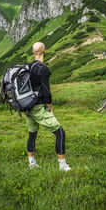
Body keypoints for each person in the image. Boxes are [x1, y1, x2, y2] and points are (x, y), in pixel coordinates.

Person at [26, 42, 71, 171]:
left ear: (33, 52)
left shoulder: (28, 66)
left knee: (32, 134)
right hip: (39, 107)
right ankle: (62, 166)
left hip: (28, 107)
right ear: (44, 51)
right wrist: (50, 108)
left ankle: (32, 164)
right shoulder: (43, 68)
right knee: (60, 133)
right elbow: (46, 91)